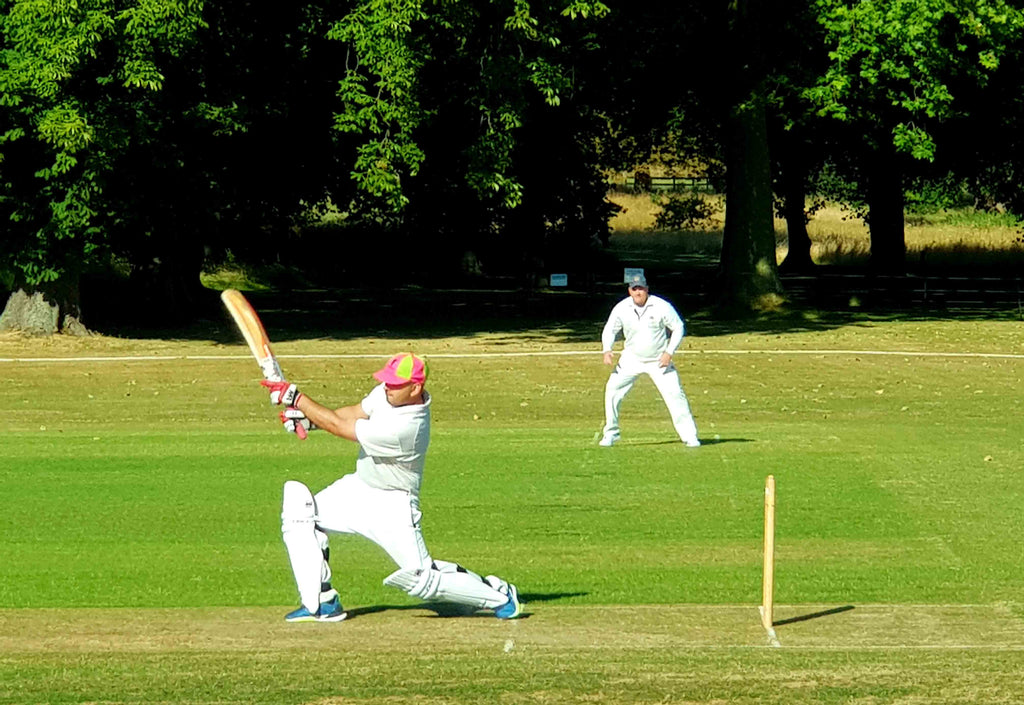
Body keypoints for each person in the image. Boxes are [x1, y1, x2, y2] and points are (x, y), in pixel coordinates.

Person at [261, 352, 523, 622]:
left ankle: (501, 597)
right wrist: (310, 422)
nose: (387, 386)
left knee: (423, 581)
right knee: (300, 513)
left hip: (393, 506)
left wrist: (297, 399)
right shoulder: (388, 394)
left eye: (394, 383)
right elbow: (352, 414)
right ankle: (321, 603)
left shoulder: (407, 428)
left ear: (415, 388)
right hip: (358, 488)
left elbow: (341, 427)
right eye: (386, 380)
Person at [598, 273, 700, 448]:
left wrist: (669, 352)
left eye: (641, 288)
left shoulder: (661, 306)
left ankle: (689, 436)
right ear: (629, 290)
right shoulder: (621, 308)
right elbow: (610, 329)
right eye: (634, 288)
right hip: (631, 360)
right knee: (612, 390)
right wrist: (607, 349)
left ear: (647, 289)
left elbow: (678, 327)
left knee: (675, 394)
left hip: (658, 361)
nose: (638, 292)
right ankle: (611, 433)